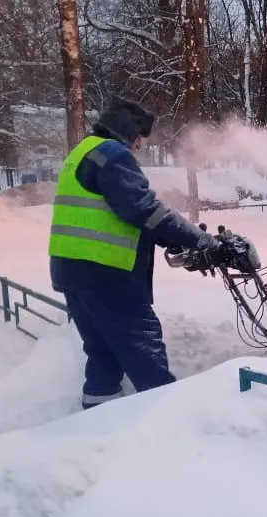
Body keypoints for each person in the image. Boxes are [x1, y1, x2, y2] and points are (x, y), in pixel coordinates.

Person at [49, 96, 217, 410]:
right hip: (107, 274)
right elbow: (145, 212)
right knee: (144, 350)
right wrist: (199, 240)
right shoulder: (112, 154)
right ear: (128, 130)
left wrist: (174, 238)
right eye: (140, 137)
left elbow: (115, 213)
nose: (139, 146)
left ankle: (99, 411)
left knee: (103, 351)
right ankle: (168, 417)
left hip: (72, 271)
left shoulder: (83, 151)